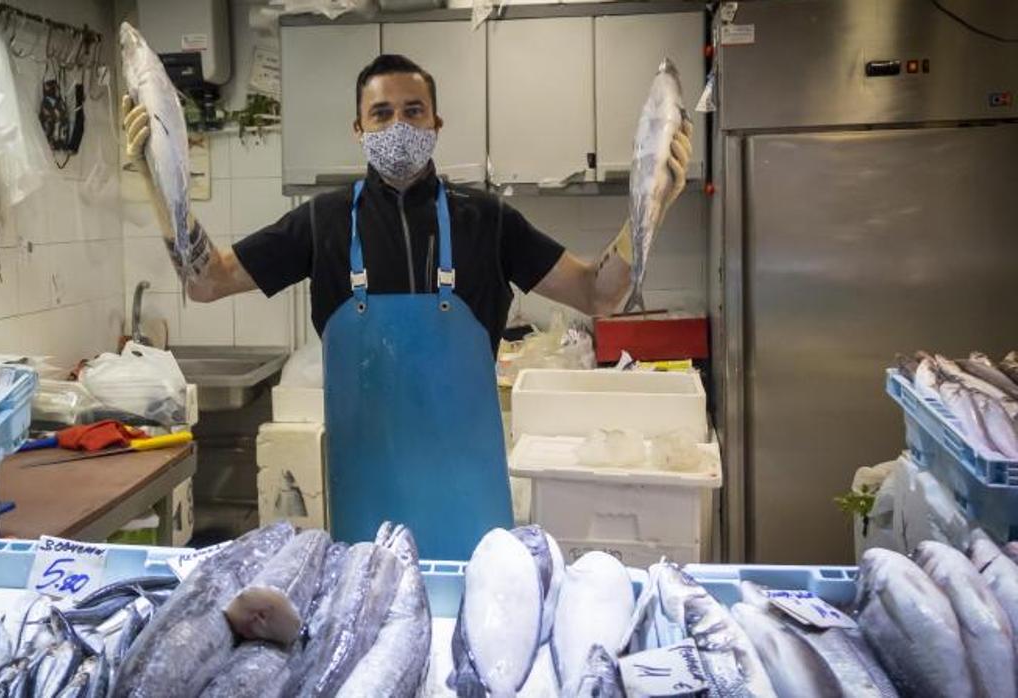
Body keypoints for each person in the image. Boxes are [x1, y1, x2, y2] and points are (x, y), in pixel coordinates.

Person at [123, 54, 692, 559]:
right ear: (358, 129)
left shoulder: (488, 221)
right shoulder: (320, 223)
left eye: (414, 112)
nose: (399, 126)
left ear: (436, 124)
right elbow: (207, 281)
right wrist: (158, 181)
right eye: (382, 114)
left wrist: (656, 201)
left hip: (470, 502)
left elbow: (598, 292)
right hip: (367, 501)